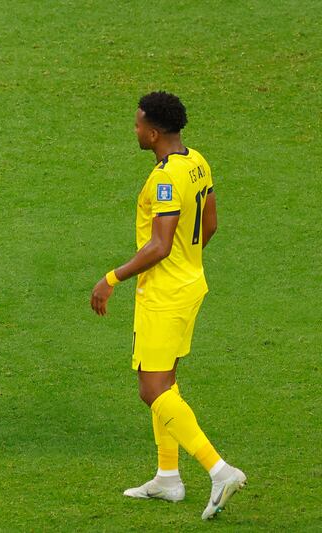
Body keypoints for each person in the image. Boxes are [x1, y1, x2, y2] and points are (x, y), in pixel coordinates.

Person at [90, 92, 246, 520]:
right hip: (191, 283)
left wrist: (111, 279)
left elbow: (159, 245)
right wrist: (187, 260)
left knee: (151, 389)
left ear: (154, 131)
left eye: (139, 124)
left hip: (164, 295)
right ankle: (167, 478)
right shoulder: (197, 161)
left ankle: (219, 470)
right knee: (166, 382)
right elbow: (209, 223)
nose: (136, 129)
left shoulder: (164, 180)